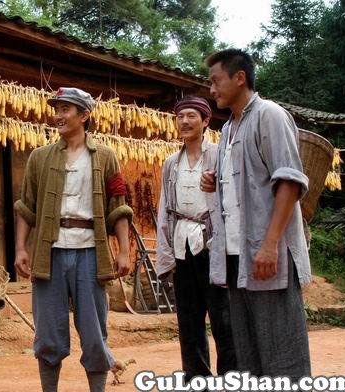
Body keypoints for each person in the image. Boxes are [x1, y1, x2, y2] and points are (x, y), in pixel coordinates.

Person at [201, 48, 311, 380]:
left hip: (267, 255)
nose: (212, 90)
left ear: (240, 77)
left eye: (216, 81)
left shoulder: (269, 115)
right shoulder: (227, 131)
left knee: (282, 353)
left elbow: (289, 182)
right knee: (249, 353)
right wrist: (215, 182)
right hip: (237, 257)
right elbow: (244, 188)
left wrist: (270, 244)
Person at [13, 87, 133, 392]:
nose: (59, 116)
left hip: (90, 253)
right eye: (57, 109)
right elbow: (26, 207)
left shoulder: (105, 157)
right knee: (48, 333)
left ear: (84, 115)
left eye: (66, 110)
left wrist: (123, 251)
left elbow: (118, 206)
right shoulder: (39, 158)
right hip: (48, 253)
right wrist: (19, 249)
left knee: (94, 332)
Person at [156, 96, 236, 382]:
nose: (185, 122)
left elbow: (232, 195)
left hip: (212, 244)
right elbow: (164, 207)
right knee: (189, 321)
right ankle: (197, 379)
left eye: (192, 116)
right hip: (182, 245)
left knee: (223, 317)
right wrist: (164, 253)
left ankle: (231, 377)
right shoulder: (171, 163)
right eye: (180, 117)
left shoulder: (218, 155)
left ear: (205, 121)